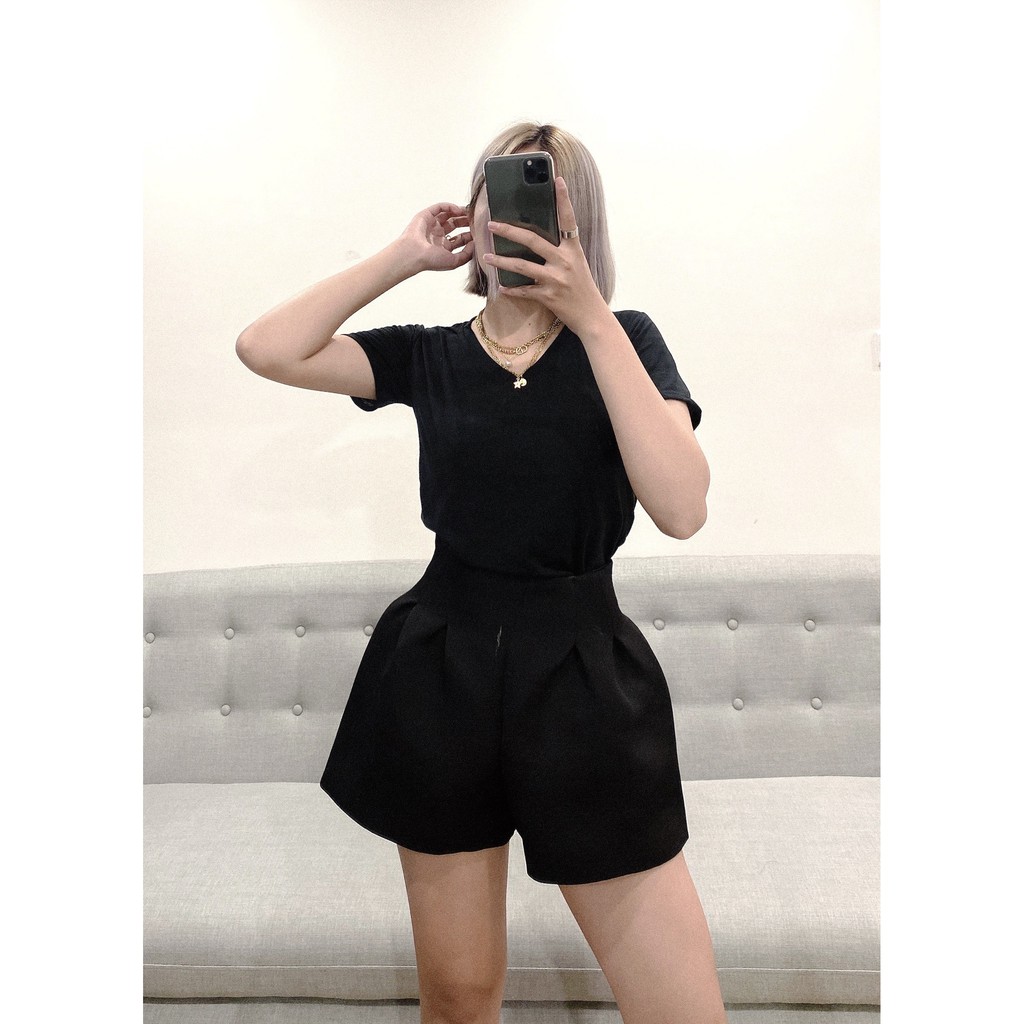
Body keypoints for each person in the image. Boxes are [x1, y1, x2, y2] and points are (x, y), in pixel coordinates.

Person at [235, 122, 725, 1024]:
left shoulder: (626, 342)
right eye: (500, 198)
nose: (518, 222)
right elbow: (266, 347)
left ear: (580, 223)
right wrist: (403, 256)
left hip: (583, 680)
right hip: (440, 672)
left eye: (545, 203)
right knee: (459, 999)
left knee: (680, 1012)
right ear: (475, 213)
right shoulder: (431, 354)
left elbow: (682, 508)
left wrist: (590, 314)